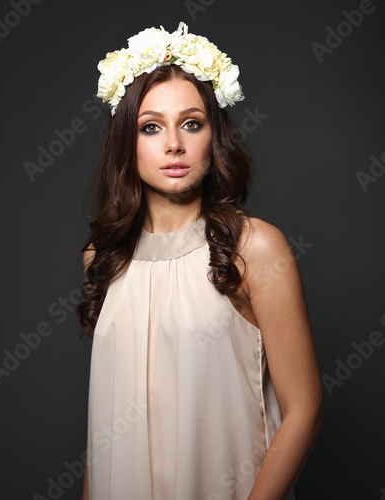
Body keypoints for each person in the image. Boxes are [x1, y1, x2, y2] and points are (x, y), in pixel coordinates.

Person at [78, 22, 324, 500]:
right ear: (128, 143)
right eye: (151, 127)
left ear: (215, 136)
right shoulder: (102, 257)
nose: (174, 144)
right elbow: (102, 425)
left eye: (192, 123)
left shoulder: (254, 247)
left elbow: (305, 410)